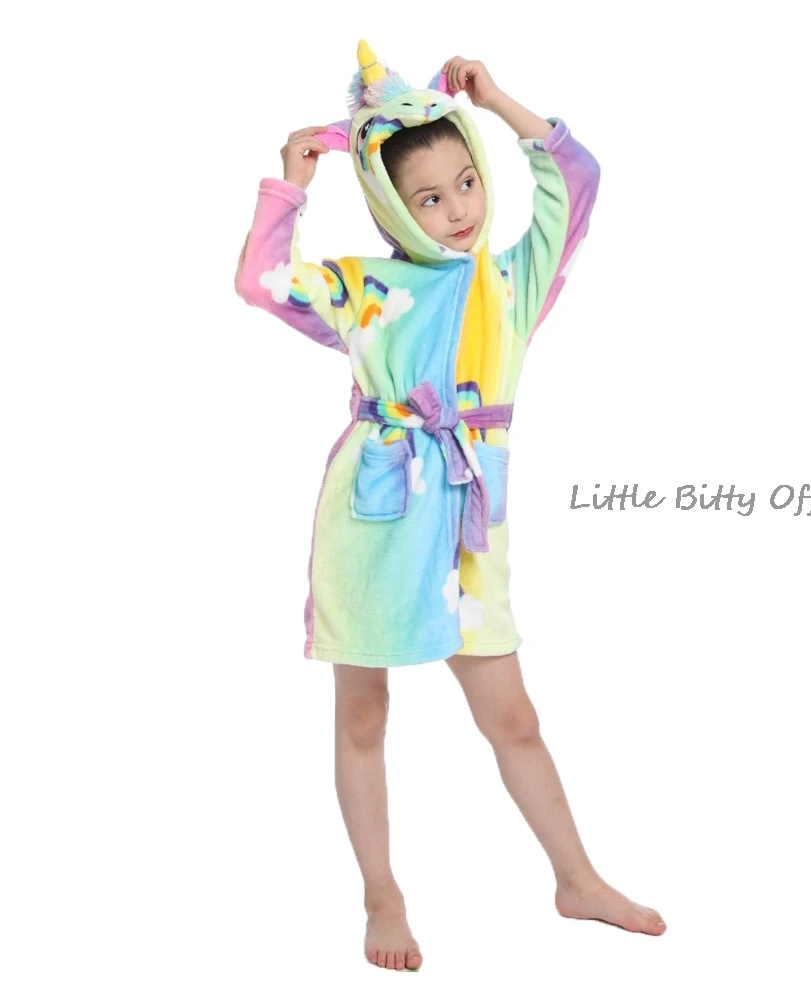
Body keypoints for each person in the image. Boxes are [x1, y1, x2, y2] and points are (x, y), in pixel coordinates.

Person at [236, 41, 665, 972]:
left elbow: (578, 181)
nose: (459, 209)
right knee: (363, 714)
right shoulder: (366, 287)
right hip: (377, 517)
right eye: (429, 199)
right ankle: (381, 896)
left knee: (513, 716)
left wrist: (499, 102)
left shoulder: (512, 280)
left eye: (467, 182)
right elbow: (261, 284)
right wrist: (290, 188)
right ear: (392, 207)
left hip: (471, 525)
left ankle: (577, 879)